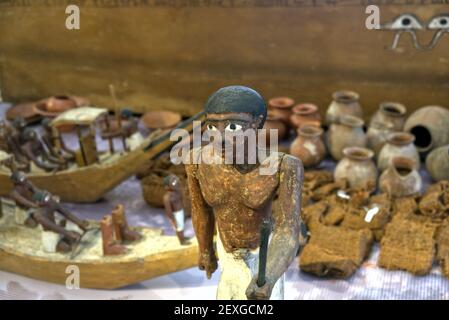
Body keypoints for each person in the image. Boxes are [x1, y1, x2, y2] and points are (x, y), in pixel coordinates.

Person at [185, 85, 307, 300]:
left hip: (263, 257)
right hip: (227, 255)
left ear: (257, 123)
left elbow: (287, 231)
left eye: (233, 126)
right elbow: (199, 209)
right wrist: (205, 249)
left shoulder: (282, 167)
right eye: (212, 127)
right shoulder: (197, 161)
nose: (220, 138)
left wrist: (268, 276)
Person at [163, 174, 189, 245]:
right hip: (175, 215)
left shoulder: (178, 192)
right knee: (178, 228)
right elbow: (168, 211)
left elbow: (182, 200)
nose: (176, 182)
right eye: (173, 181)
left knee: (182, 226)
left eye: (176, 179)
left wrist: (185, 211)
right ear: (167, 186)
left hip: (181, 212)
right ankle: (182, 241)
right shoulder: (167, 197)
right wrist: (173, 220)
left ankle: (183, 237)